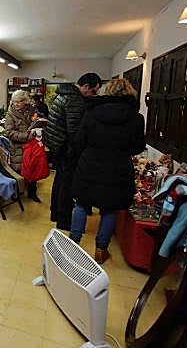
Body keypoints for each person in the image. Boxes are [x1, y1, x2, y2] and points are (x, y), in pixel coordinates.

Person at [70, 79, 145, 264]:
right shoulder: (136, 118)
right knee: (110, 210)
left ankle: (73, 243)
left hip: (89, 166)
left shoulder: (92, 112)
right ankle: (101, 250)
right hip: (118, 170)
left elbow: (79, 141)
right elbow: (138, 148)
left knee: (81, 204)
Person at [45, 72, 101, 230]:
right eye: (94, 91)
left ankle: (56, 213)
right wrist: (79, 151)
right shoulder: (75, 99)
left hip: (56, 143)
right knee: (67, 184)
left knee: (60, 180)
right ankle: (64, 220)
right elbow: (74, 130)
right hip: (65, 146)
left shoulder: (64, 94)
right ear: (86, 86)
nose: (94, 95)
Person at [4, 90, 41, 202]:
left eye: (19, 101)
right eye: (14, 101)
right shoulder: (10, 114)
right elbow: (9, 132)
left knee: (33, 169)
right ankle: (16, 195)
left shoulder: (31, 110)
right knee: (18, 172)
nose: (16, 104)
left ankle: (32, 193)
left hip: (31, 146)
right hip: (18, 147)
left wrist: (37, 127)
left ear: (25, 101)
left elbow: (35, 123)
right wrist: (25, 136)